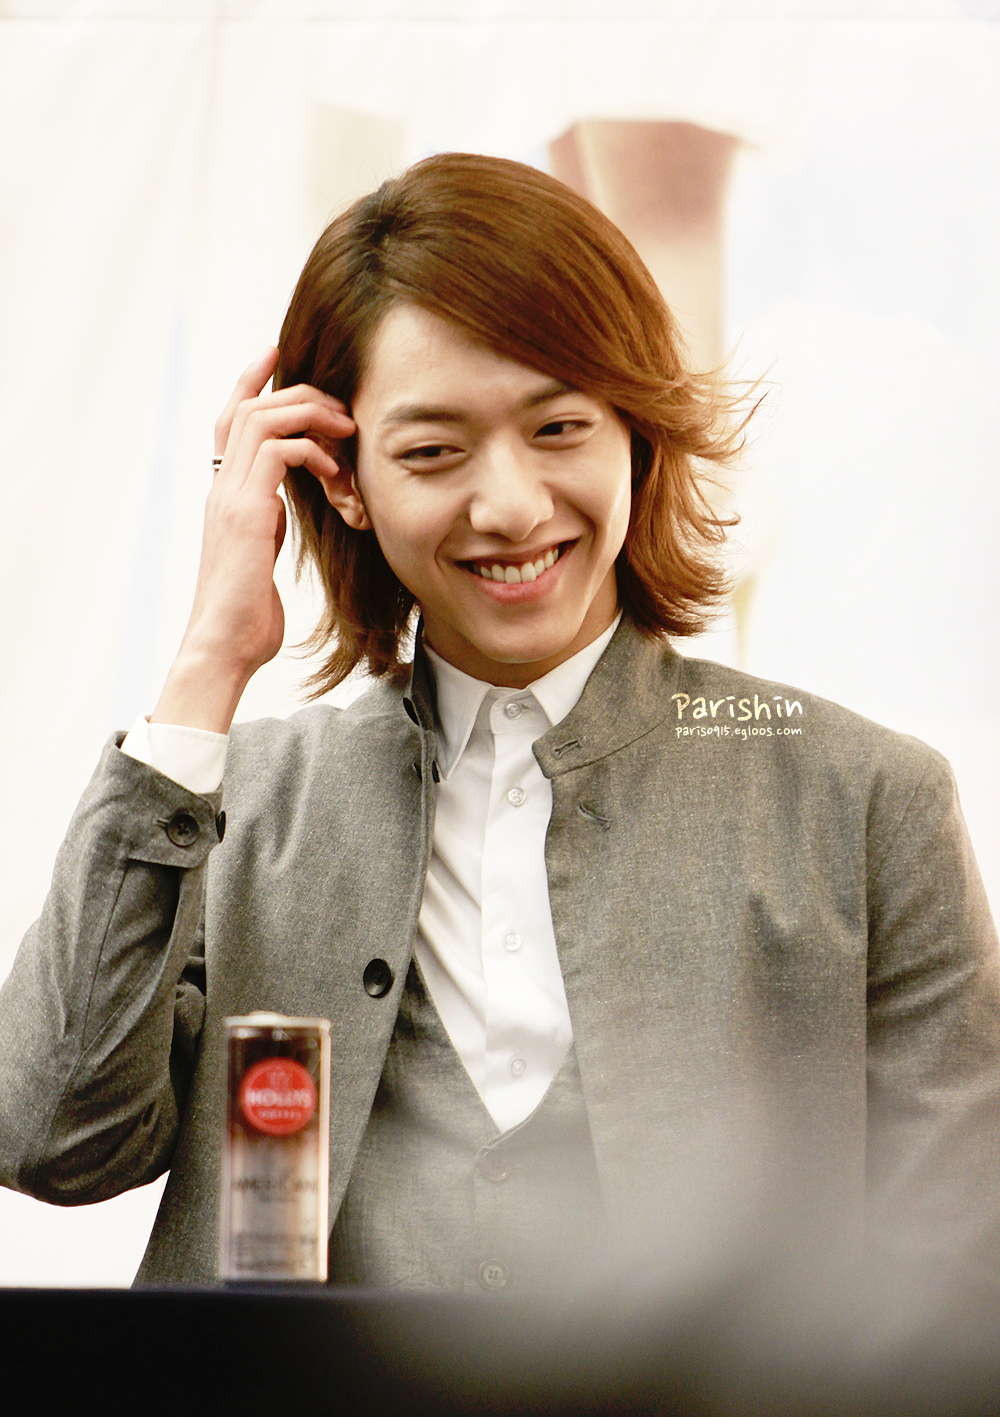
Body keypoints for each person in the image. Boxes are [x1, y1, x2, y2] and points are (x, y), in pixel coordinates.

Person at [1, 153, 998, 1295]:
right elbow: (51, 1134)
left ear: (636, 431)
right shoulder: (235, 805)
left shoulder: (868, 804)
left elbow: (955, 1286)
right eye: (432, 451)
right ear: (344, 481)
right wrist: (206, 665)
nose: (513, 506)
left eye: (560, 428)